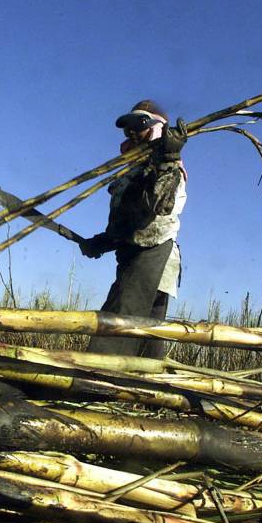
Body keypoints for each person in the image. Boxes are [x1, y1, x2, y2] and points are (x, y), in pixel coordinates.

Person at [79, 100, 188, 358]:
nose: (131, 133)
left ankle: (95, 384)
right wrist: (104, 241)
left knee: (118, 328)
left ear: (157, 128)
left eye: (139, 125)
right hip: (133, 256)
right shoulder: (132, 170)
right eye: (127, 127)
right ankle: (147, 393)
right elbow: (128, 220)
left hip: (153, 255)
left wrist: (168, 160)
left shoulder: (168, 167)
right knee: (146, 337)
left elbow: (154, 207)